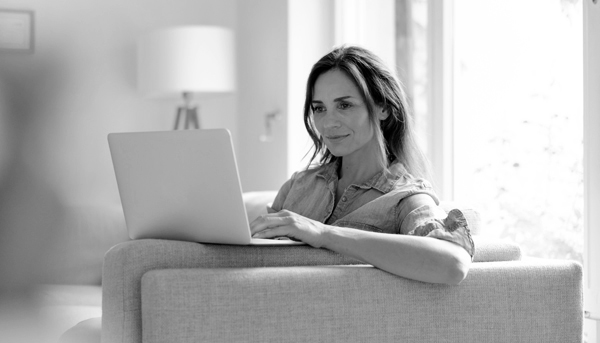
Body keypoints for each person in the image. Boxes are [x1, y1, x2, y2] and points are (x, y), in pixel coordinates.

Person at [250, 46, 474, 285]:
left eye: (344, 105)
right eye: (319, 108)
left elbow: (452, 264)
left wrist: (323, 233)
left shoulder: (405, 197)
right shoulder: (297, 185)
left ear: (383, 108)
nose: (328, 123)